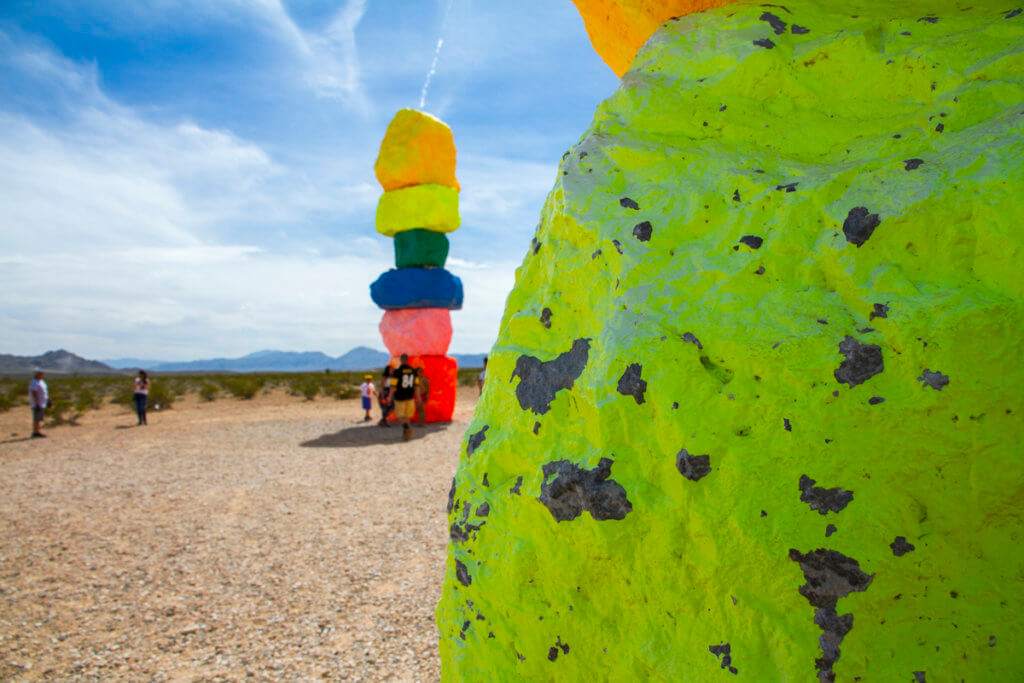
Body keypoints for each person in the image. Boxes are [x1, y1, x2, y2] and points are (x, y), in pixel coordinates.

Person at [390, 354, 419, 441]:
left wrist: (389, 396)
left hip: (400, 396)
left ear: (401, 360)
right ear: (407, 360)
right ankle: (406, 433)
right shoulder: (413, 371)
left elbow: (393, 386)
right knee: (407, 416)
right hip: (410, 396)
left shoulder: (397, 371)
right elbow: (416, 385)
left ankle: (406, 428)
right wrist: (418, 396)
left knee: (400, 415)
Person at [28, 369, 49, 438]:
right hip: (37, 403)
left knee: (39, 418)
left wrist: (48, 400)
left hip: (42, 402)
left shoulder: (42, 382)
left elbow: (44, 392)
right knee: (36, 418)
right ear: (37, 374)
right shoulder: (34, 382)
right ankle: (35, 432)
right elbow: (34, 393)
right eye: (41, 374)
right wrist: (36, 403)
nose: (43, 375)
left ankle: (37, 431)